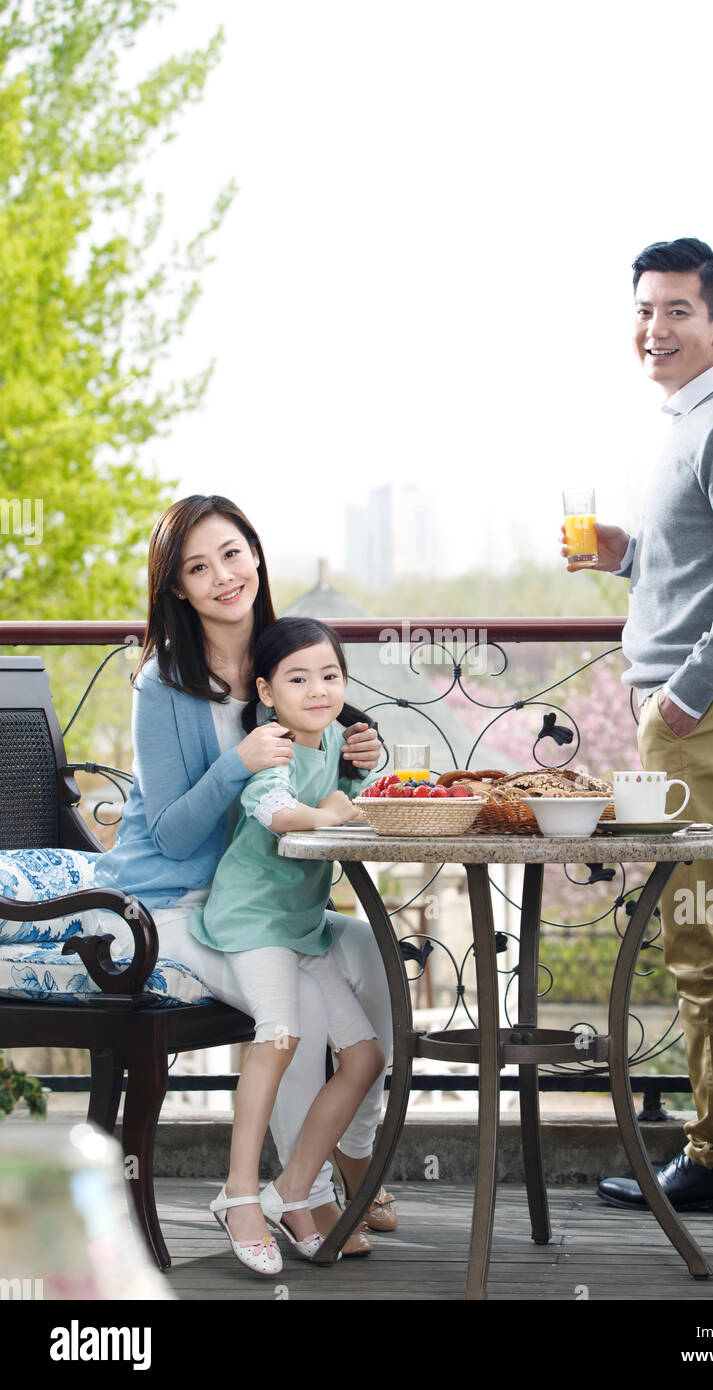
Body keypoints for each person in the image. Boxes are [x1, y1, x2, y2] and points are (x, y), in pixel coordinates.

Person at [92, 494, 396, 1255]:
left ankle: (345, 1160)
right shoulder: (164, 684)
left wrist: (361, 755)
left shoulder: (280, 654)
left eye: (232, 553)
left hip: (268, 892)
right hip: (173, 900)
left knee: (381, 970)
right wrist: (236, 764)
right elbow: (168, 830)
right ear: (179, 591)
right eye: (198, 567)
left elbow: (321, 756)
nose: (223, 576)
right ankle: (305, 1199)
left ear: (255, 554)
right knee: (303, 1010)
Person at [563, 238, 713, 1211]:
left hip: (705, 713)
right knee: (698, 926)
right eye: (643, 311)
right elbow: (701, 553)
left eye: (675, 312)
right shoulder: (688, 420)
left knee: (702, 935)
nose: (653, 330)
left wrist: (684, 693)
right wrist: (629, 553)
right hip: (685, 715)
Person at [187, 617, 386, 1271]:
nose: (318, 689)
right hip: (253, 922)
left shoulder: (332, 740)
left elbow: (347, 800)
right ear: (268, 692)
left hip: (304, 926)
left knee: (364, 1057)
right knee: (279, 1036)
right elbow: (279, 816)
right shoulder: (268, 745)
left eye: (330, 675)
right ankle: (239, 1194)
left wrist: (362, 772)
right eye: (298, 678)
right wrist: (331, 810)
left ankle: (291, 1189)